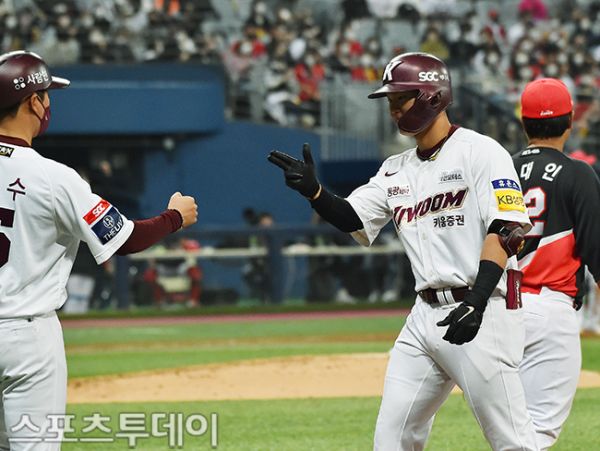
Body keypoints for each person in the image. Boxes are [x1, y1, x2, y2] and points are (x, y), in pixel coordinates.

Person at [269, 52, 538, 450]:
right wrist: (315, 192)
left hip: (482, 309)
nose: (393, 110)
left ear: (433, 95)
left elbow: (507, 231)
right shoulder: (395, 168)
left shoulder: (481, 152)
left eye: (401, 99)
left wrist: (477, 302)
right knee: (391, 439)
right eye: (391, 102)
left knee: (512, 440)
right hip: (423, 316)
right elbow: (353, 218)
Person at [0, 50, 198, 449]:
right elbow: (126, 238)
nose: (49, 104)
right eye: (46, 95)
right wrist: (174, 217)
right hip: (26, 336)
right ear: (33, 101)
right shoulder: (53, 177)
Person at [513, 78, 600, 449]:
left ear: (524, 122)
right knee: (536, 433)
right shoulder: (577, 172)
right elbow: (597, 251)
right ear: (570, 122)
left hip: (501, 310)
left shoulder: (502, 169)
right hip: (551, 309)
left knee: (510, 430)